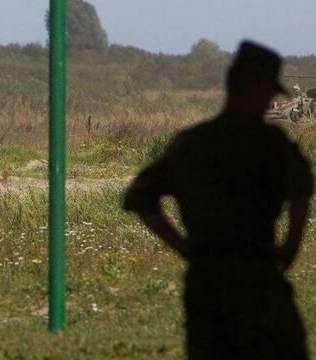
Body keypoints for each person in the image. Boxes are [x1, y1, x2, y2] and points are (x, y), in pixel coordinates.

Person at [123, 40, 313, 359]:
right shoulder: (269, 144)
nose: (270, 100)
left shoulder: (191, 144)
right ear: (253, 87)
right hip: (259, 281)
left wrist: (184, 247)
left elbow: (140, 197)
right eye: (268, 91)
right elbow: (302, 187)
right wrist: (290, 245)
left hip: (206, 284)